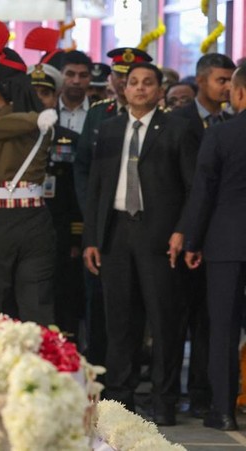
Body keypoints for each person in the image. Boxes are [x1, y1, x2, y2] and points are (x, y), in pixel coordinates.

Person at [83, 62, 198, 426]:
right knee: (119, 321)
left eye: (148, 83)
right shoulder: (109, 129)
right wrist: (92, 239)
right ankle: (121, 400)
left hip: (161, 237)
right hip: (117, 234)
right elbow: (97, 188)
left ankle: (164, 401)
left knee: (163, 319)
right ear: (124, 88)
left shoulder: (177, 129)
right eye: (133, 83)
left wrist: (184, 231)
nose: (140, 89)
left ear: (159, 90)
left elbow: (193, 188)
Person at [0, 21, 57, 326]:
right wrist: (38, 117)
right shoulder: (44, 121)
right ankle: (44, 364)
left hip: (0, 218)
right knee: (36, 302)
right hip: (36, 218)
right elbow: (23, 121)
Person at [74, 46, 152, 369]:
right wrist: (91, 211)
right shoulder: (99, 114)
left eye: (130, 77)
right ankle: (101, 372)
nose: (124, 83)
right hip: (105, 223)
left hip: (143, 222)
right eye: (120, 76)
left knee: (140, 304)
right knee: (101, 301)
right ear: (111, 79)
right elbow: (83, 168)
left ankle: (133, 370)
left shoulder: (160, 121)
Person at [170, 52, 236, 419]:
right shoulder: (177, 120)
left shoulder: (229, 123)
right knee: (179, 315)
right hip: (182, 232)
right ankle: (175, 390)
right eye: (220, 80)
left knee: (213, 321)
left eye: (230, 81)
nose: (226, 87)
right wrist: (184, 230)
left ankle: (203, 393)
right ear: (202, 80)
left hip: (219, 237)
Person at [183, 62, 246, 432]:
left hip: (225, 242)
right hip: (227, 241)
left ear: (238, 93)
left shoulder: (221, 135)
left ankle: (222, 411)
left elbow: (202, 192)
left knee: (222, 327)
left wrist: (192, 240)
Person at [29, 63, 84, 340]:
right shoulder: (15, 138)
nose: (40, 99)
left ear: (56, 97)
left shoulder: (71, 140)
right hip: (24, 227)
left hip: (60, 229)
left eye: (46, 93)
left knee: (64, 293)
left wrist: (76, 238)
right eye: (34, 92)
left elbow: (79, 191)